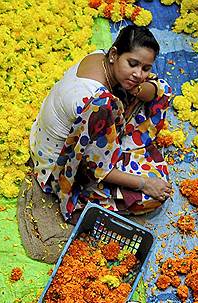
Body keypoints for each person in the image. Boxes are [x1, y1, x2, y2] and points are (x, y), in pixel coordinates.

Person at [30, 25, 174, 222]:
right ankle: (125, 161)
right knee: (147, 199)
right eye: (132, 64)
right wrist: (144, 184)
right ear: (114, 54)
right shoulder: (97, 104)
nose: (138, 74)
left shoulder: (99, 57)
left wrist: (136, 89)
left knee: (160, 88)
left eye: (146, 68)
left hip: (80, 131)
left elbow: (151, 89)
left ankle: (120, 147)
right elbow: (95, 169)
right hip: (59, 165)